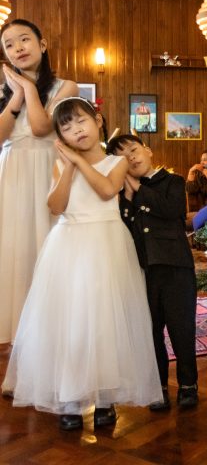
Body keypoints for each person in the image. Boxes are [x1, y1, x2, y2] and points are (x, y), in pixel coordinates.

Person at [2, 97, 162, 431]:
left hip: (106, 245)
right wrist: (69, 167)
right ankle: (70, 399)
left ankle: (105, 399)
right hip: (68, 245)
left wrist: (78, 160)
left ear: (98, 121)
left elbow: (106, 190)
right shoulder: (61, 164)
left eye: (81, 121)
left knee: (104, 322)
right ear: (61, 135)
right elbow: (56, 206)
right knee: (71, 323)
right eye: (67, 126)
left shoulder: (116, 162)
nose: (76, 130)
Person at [106, 133, 198, 411]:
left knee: (181, 328)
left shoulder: (173, 181)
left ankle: (188, 384)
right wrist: (127, 195)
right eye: (122, 157)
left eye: (134, 150)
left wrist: (136, 188)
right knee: (150, 331)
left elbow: (171, 210)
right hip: (141, 269)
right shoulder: (121, 195)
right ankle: (157, 386)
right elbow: (122, 228)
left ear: (148, 150)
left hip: (175, 266)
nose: (131, 158)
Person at [0, 19, 77, 343]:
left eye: (24, 39)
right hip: (11, 174)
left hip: (48, 171)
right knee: (13, 248)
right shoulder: (3, 92)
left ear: (42, 45)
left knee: (47, 244)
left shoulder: (66, 87)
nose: (17, 48)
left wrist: (28, 88)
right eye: (9, 45)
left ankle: (49, 331)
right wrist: (16, 95)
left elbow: (41, 127)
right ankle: (17, 332)